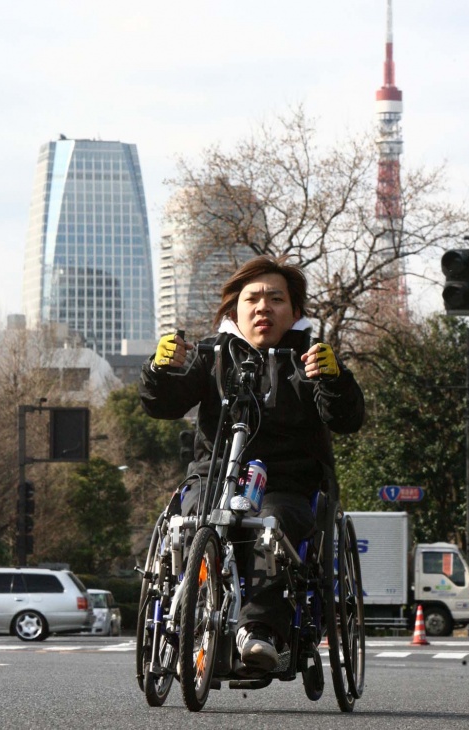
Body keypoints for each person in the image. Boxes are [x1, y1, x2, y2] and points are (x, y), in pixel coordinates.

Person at [139, 255, 365, 674]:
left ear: (295, 311)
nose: (264, 308)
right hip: (213, 480)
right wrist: (157, 370)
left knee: (273, 524)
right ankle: (190, 616)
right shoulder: (211, 356)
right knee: (188, 519)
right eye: (253, 299)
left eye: (276, 299)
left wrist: (335, 382)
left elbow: (347, 419)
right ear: (234, 311)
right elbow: (163, 404)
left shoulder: (311, 360)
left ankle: (259, 630)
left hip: (285, 485)